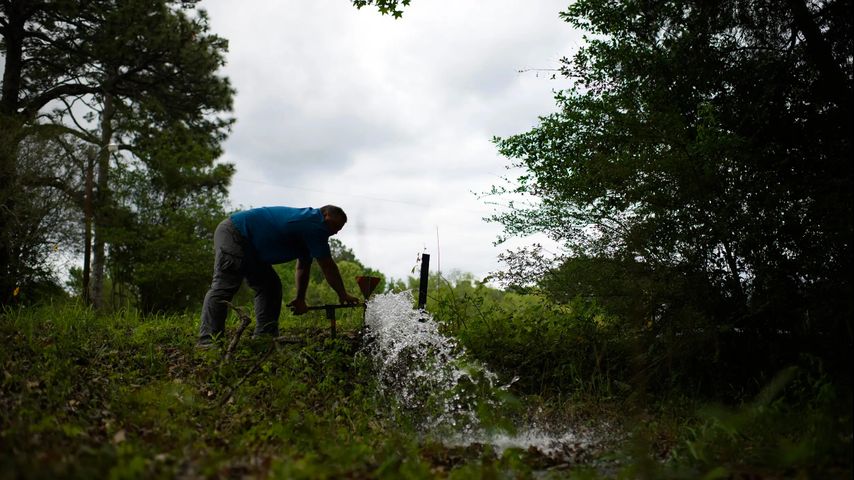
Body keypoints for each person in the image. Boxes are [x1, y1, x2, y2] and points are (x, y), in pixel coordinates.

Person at [198, 204, 360, 346]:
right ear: (326, 215)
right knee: (224, 285)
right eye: (335, 226)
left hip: (252, 248)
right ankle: (208, 341)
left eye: (339, 230)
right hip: (235, 233)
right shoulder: (314, 224)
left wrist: (300, 298)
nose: (335, 232)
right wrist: (343, 294)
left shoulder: (310, 232)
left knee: (270, 287)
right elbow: (328, 266)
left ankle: (265, 337)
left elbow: (303, 267)